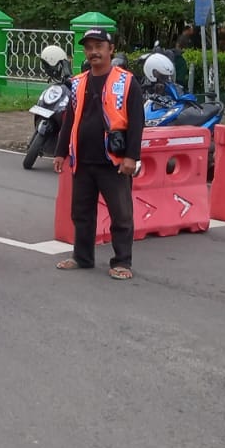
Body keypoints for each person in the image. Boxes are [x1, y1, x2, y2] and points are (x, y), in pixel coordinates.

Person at [54, 28, 141, 279]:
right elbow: (69, 119)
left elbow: (136, 122)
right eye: (89, 47)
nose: (94, 52)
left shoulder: (126, 81)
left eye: (99, 46)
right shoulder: (78, 82)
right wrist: (61, 153)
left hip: (113, 161)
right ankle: (82, 257)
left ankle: (122, 261)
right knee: (81, 213)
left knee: (121, 214)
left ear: (110, 49)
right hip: (82, 160)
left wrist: (131, 157)